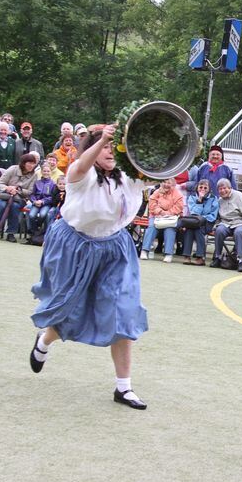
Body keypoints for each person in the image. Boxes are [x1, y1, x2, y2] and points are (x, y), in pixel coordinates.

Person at [28, 123, 150, 410]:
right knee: (71, 312)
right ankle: (44, 341)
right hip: (75, 245)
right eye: (104, 147)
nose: (109, 152)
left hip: (115, 247)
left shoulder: (130, 178)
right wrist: (102, 139)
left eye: (113, 147)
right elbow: (81, 164)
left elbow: (163, 169)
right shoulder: (81, 175)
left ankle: (124, 387)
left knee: (123, 312)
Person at [0, 153, 38, 241]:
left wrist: (18, 190)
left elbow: (30, 191)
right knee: (3, 206)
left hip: (19, 198)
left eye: (33, 163)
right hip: (4, 195)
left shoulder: (34, 175)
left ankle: (11, 233)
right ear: (23, 163)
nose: (31, 166)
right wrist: (8, 188)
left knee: (14, 207)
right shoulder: (13, 169)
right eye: (29, 163)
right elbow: (0, 183)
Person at [210, 178, 242, 272]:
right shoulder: (220, 200)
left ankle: (241, 260)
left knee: (239, 232)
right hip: (225, 223)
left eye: (224, 188)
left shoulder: (239, 196)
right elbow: (218, 217)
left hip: (240, 222)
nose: (223, 191)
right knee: (219, 231)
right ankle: (217, 257)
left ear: (230, 188)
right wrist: (215, 226)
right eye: (220, 189)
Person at [140, 178, 184, 262]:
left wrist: (167, 213)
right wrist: (160, 212)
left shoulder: (177, 194)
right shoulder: (156, 192)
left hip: (171, 217)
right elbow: (152, 204)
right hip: (157, 216)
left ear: (173, 185)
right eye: (164, 182)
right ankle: (145, 250)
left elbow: (179, 207)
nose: (166, 184)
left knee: (170, 229)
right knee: (152, 226)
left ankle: (168, 254)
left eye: (168, 183)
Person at [181, 178, 218, 266]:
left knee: (199, 229)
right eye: (200, 187)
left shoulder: (213, 198)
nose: (202, 189)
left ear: (209, 189)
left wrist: (203, 218)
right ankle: (187, 255)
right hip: (195, 220)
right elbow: (193, 212)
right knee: (189, 230)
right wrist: (199, 201)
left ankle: (200, 257)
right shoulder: (192, 197)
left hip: (207, 221)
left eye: (205, 188)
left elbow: (213, 214)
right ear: (197, 187)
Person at [25, 173, 57, 241]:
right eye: (44, 171)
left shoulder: (53, 184)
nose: (46, 172)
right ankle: (34, 232)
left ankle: (39, 229)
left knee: (43, 215)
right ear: (42, 172)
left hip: (46, 204)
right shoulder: (37, 183)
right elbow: (32, 194)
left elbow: (52, 197)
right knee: (31, 215)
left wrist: (43, 201)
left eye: (48, 171)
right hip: (36, 203)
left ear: (50, 172)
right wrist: (34, 201)